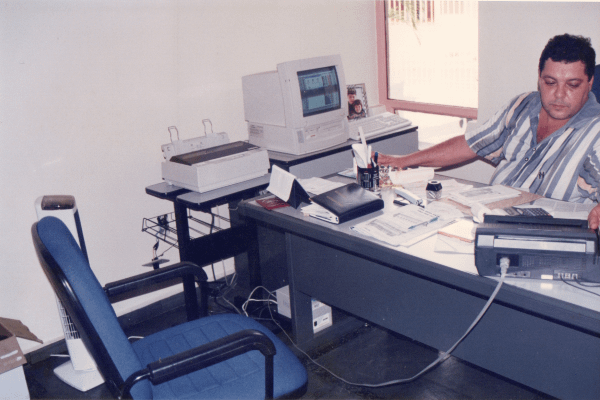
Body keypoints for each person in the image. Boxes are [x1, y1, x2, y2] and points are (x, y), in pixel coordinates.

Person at [377, 34, 600, 228]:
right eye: (550, 82)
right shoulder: (522, 105)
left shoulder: (596, 133)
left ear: (589, 83)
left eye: (572, 85)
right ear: (539, 78)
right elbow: (470, 144)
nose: (559, 95)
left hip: (544, 240)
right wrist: (403, 161)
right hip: (488, 219)